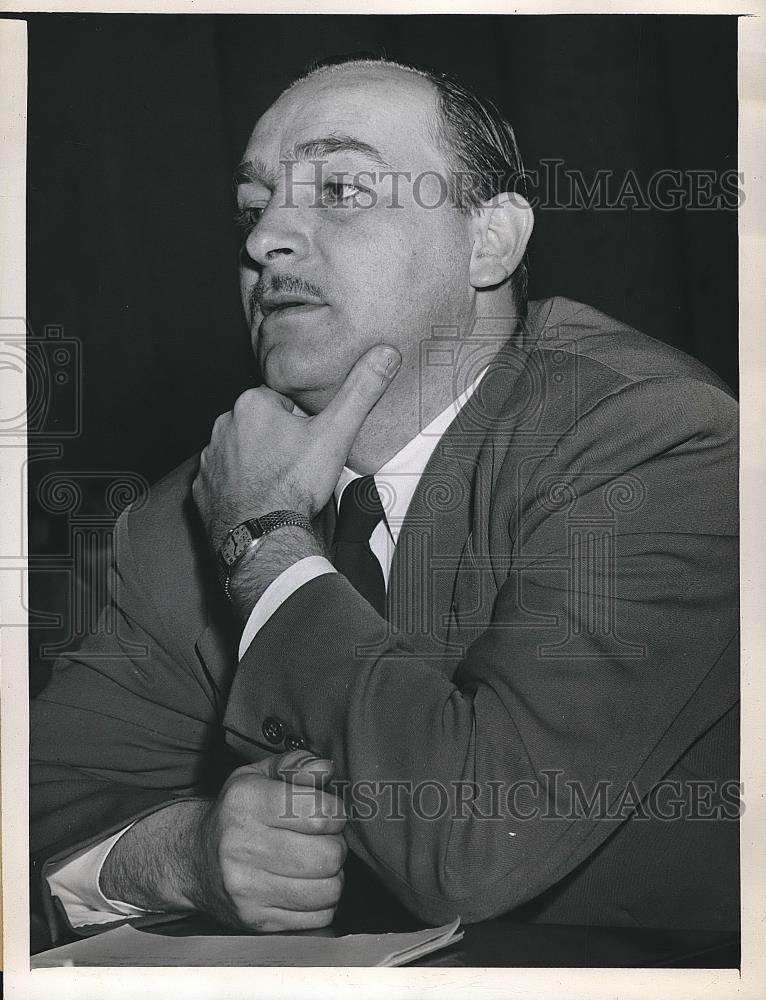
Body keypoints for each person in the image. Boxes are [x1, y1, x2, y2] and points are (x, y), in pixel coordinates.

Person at [31, 57, 739, 946]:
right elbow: (33, 794)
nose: (265, 242)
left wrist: (266, 545)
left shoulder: (657, 438)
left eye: (340, 189)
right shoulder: (199, 505)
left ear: (490, 241)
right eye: (253, 209)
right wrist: (181, 853)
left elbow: (471, 844)